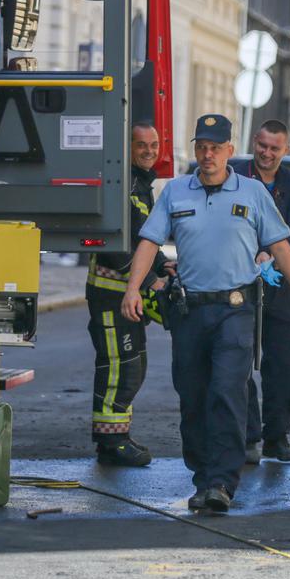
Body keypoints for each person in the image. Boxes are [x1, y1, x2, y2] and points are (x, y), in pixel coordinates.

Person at [121, 114, 290, 513]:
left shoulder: (251, 192)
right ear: (195, 150)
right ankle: (203, 477)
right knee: (193, 398)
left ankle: (221, 484)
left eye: (216, 148)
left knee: (227, 393)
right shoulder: (176, 192)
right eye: (201, 147)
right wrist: (132, 289)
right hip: (190, 312)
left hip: (236, 310)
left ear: (230, 151)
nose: (207, 155)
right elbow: (147, 242)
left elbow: (282, 248)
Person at [84, 122, 171, 466]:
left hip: (126, 297)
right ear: (127, 148)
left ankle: (119, 433)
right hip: (110, 295)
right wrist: (151, 280)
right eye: (141, 145)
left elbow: (143, 237)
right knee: (119, 367)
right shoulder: (120, 182)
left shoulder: (142, 183)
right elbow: (110, 244)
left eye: (154, 144)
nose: (149, 151)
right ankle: (111, 443)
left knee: (133, 365)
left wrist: (165, 265)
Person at [232, 120, 290, 464]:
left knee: (281, 363)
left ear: (285, 151)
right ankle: (248, 436)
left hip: (278, 285)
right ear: (255, 143)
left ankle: (277, 437)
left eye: (274, 148)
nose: (266, 153)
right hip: (239, 284)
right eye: (262, 146)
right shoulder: (234, 176)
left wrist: (271, 257)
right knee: (240, 361)